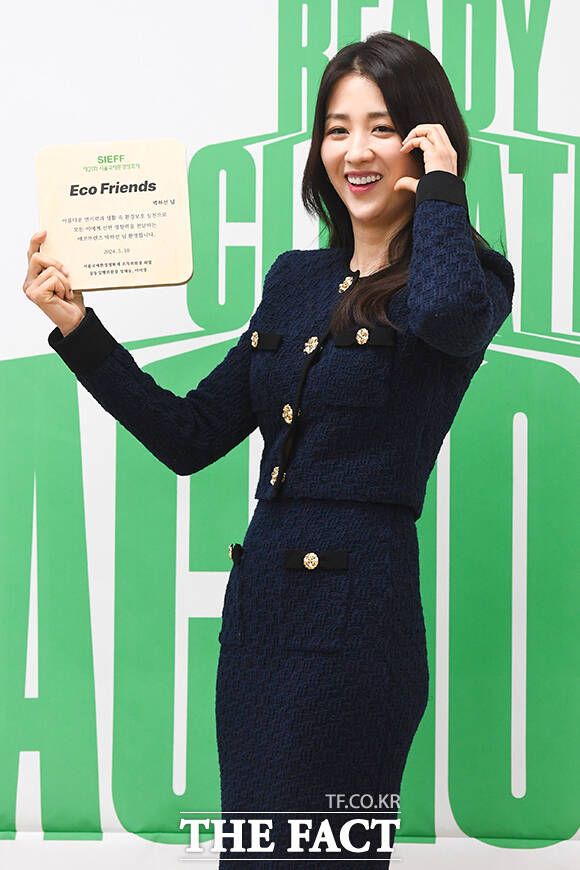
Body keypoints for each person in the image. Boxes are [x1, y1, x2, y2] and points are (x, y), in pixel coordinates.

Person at [23, 31, 514, 869]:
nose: (356, 151)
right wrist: (78, 327)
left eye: (384, 127)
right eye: (336, 129)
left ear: (427, 140)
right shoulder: (294, 278)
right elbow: (188, 436)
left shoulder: (468, 276)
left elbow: (447, 319)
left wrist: (441, 193)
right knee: (252, 857)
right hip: (261, 621)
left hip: (358, 627)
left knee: (318, 860)